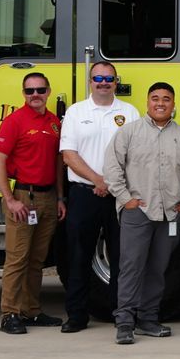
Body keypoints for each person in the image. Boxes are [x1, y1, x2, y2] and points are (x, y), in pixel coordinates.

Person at [104, 82, 180, 345]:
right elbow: (112, 169)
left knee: (158, 269)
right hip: (138, 212)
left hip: (170, 215)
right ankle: (124, 322)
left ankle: (148, 319)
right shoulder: (129, 133)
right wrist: (126, 200)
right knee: (130, 268)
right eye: (155, 98)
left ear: (173, 103)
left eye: (166, 99)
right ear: (147, 102)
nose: (160, 103)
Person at [0, 71, 66, 334]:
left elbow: (58, 162)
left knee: (37, 260)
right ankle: (9, 313)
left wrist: (59, 197)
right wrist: (9, 200)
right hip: (23, 197)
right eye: (30, 91)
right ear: (23, 94)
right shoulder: (14, 121)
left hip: (47, 198)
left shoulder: (55, 123)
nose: (35, 95)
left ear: (48, 91)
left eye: (40, 90)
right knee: (17, 259)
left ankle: (31, 311)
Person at [58, 60, 128, 333]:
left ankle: (119, 314)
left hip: (118, 195)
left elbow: (134, 154)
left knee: (121, 258)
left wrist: (111, 184)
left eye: (108, 78)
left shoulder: (129, 112)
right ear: (90, 82)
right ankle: (76, 316)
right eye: (98, 79)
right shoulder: (76, 112)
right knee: (78, 256)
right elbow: (69, 155)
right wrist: (98, 180)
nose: (103, 83)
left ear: (115, 81)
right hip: (84, 194)